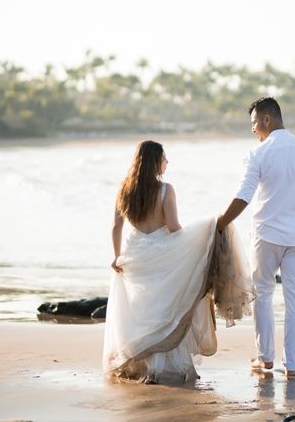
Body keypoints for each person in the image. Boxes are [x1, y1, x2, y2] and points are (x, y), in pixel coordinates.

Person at [103, 140, 252, 384]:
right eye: (164, 158)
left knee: (142, 310)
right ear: (155, 162)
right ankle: (164, 367)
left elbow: (116, 226)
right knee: (167, 309)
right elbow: (173, 227)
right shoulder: (165, 190)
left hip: (135, 254)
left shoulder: (124, 190)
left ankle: (142, 364)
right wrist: (198, 237)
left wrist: (116, 255)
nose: (167, 163)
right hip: (162, 253)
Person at [217, 97, 295, 378]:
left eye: (254, 123)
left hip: (266, 236)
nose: (253, 130)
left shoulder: (258, 154)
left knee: (263, 294)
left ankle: (265, 358)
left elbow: (243, 196)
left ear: (267, 120)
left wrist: (219, 224)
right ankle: (292, 365)